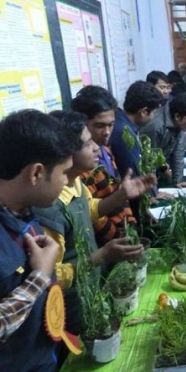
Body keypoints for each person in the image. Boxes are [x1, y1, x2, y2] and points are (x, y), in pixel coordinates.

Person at [34, 111, 155, 338]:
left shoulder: (76, 182)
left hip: (91, 287)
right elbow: (51, 275)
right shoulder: (49, 208)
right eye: (87, 143)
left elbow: (89, 209)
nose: (96, 148)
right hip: (70, 305)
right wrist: (100, 256)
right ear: (66, 153)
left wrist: (120, 196)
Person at [0, 110, 75, 370]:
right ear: (36, 173)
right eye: (64, 173)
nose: (67, 182)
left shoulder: (24, 210)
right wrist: (40, 277)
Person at [71, 85, 136, 246]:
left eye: (111, 124)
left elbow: (120, 192)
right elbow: (93, 217)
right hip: (107, 245)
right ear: (82, 123)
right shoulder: (80, 167)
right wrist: (119, 239)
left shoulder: (105, 149)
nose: (107, 132)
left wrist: (131, 224)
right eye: (100, 126)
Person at [140, 93, 186, 186]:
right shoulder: (155, 126)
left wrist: (178, 182)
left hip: (159, 168)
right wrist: (152, 193)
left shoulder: (179, 123)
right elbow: (148, 162)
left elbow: (178, 153)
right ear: (177, 117)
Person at [109, 80, 164, 178]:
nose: (154, 116)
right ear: (144, 112)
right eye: (154, 112)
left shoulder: (118, 118)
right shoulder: (125, 133)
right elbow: (135, 172)